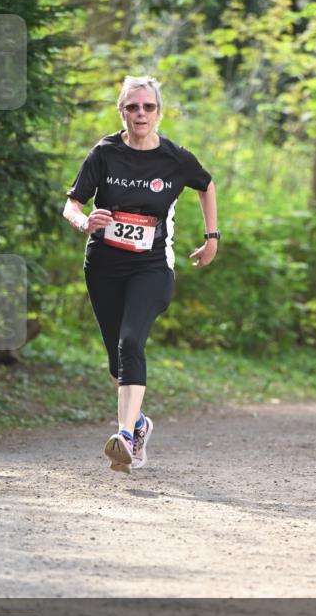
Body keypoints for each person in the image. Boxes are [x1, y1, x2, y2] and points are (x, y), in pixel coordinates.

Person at [63, 75, 219, 473]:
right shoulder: (104, 153)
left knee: (131, 341)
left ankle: (124, 436)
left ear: (159, 111)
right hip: (102, 267)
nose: (141, 114)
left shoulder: (175, 158)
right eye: (133, 107)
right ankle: (140, 425)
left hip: (151, 267)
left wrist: (212, 236)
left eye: (148, 107)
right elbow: (72, 204)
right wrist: (84, 222)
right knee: (118, 363)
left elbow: (206, 184)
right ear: (122, 111)